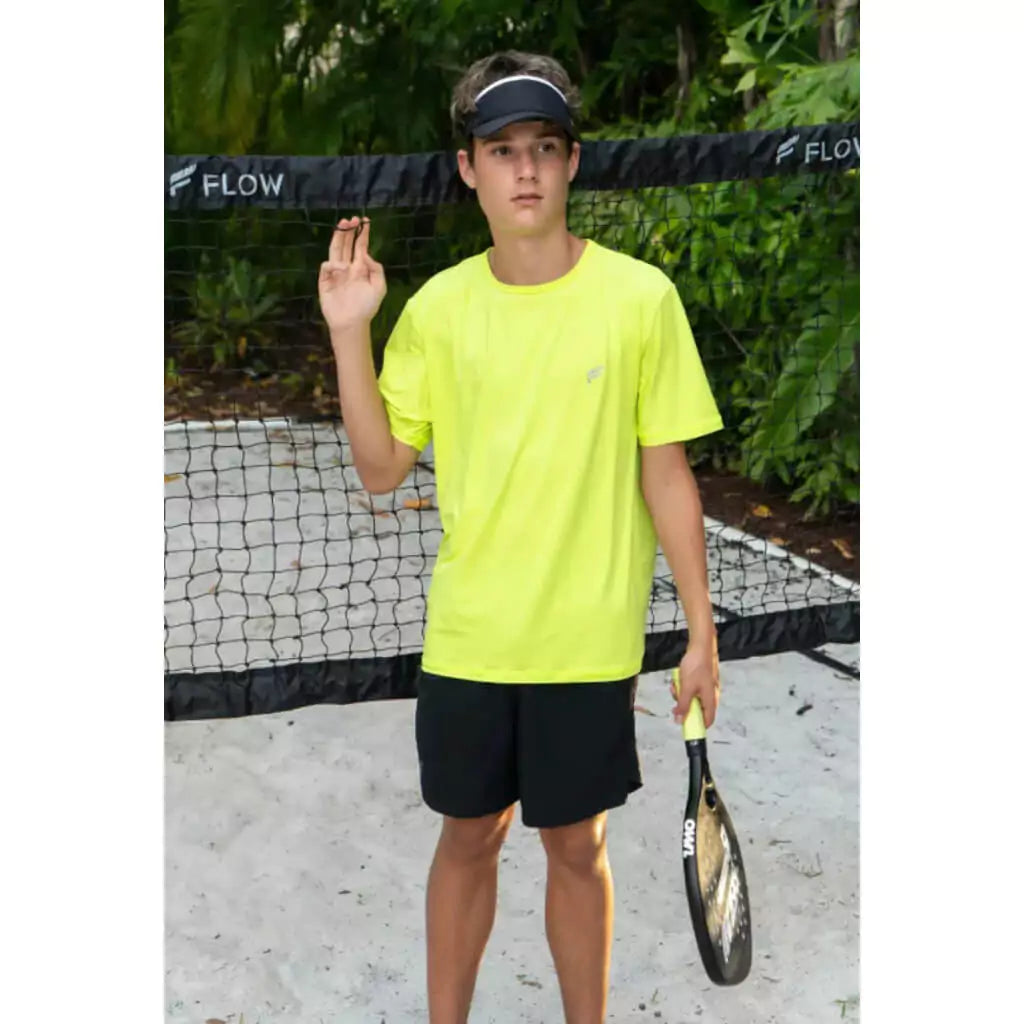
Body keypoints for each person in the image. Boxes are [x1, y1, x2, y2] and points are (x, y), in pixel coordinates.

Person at [318, 49, 723, 1024]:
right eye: (503, 150)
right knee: (466, 837)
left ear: (572, 161)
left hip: (585, 641)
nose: (526, 168)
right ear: (469, 169)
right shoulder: (439, 311)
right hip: (470, 638)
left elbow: (664, 472)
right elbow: (380, 469)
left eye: (544, 147)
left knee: (574, 846)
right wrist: (349, 330)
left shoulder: (639, 298)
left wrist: (701, 631)